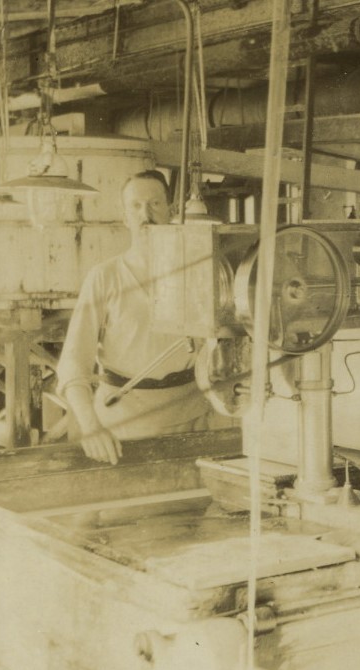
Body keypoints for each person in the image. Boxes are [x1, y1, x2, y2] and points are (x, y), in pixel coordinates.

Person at [56, 170, 210, 464]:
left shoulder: (197, 272)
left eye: (155, 204)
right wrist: (91, 428)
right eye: (136, 206)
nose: (146, 214)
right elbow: (73, 364)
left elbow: (217, 348)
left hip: (193, 420)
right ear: (124, 216)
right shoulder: (104, 277)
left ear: (171, 211)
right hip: (122, 427)